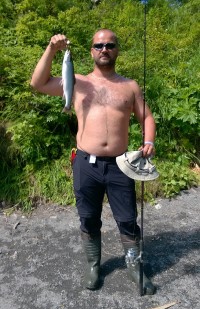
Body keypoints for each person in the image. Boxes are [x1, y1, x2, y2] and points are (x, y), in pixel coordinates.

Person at [31, 29, 156, 295]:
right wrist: (52, 49)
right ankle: (93, 266)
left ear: (117, 50)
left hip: (121, 165)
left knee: (127, 219)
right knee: (88, 218)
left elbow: (146, 118)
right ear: (91, 51)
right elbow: (38, 84)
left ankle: (134, 266)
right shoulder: (77, 81)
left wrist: (149, 141)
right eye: (98, 45)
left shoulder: (129, 86)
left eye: (109, 44)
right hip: (85, 164)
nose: (104, 49)